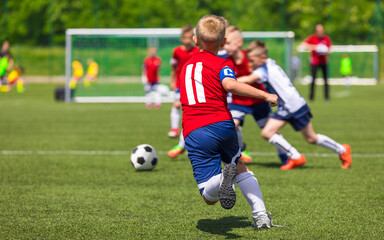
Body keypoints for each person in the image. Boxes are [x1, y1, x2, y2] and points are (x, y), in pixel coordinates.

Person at [180, 15, 279, 229]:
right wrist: (265, 95)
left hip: (195, 130)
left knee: (209, 197)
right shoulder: (223, 63)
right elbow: (230, 85)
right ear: (223, 42)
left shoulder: (186, 67)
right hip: (223, 124)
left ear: (195, 40)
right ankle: (261, 216)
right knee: (240, 165)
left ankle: (221, 179)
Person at [237, 40, 352, 170]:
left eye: (252, 61)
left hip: (290, 105)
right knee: (306, 137)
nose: (251, 64)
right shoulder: (270, 64)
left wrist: (227, 81)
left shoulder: (264, 69)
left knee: (275, 133)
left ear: (262, 57)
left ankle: (302, 155)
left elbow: (248, 79)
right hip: (293, 103)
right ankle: (335, 150)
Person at [224, 26, 288, 164]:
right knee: (232, 124)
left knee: (271, 131)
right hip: (238, 102)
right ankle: (241, 149)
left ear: (239, 42)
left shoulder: (252, 56)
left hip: (258, 101)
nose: (225, 46)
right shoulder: (226, 61)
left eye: (228, 43)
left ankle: (285, 155)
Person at [168, 25, 200, 138]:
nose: (187, 40)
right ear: (182, 38)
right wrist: (172, 81)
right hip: (179, 84)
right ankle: (174, 129)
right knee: (176, 105)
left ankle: (190, 130)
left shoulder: (197, 51)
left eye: (190, 37)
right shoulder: (176, 51)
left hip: (193, 84)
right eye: (185, 37)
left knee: (192, 109)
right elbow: (173, 68)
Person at [301, 24, 331, 101]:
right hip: (315, 62)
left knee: (326, 80)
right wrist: (315, 47)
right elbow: (303, 44)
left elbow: (330, 49)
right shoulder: (312, 38)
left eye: (321, 30)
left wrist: (325, 50)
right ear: (316, 31)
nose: (320, 32)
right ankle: (311, 97)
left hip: (324, 62)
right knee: (313, 80)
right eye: (319, 31)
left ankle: (326, 97)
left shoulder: (326, 38)